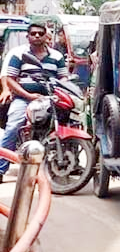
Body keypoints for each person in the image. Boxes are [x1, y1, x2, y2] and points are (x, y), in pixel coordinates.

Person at [0, 23, 69, 183]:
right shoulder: (20, 55)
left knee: (67, 123)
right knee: (13, 127)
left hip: (50, 99)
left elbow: (64, 78)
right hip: (24, 99)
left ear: (46, 36)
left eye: (40, 33)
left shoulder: (57, 56)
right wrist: (28, 95)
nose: (37, 36)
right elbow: (10, 79)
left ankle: (65, 162)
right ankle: (1, 168)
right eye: (33, 34)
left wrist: (58, 92)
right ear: (28, 36)